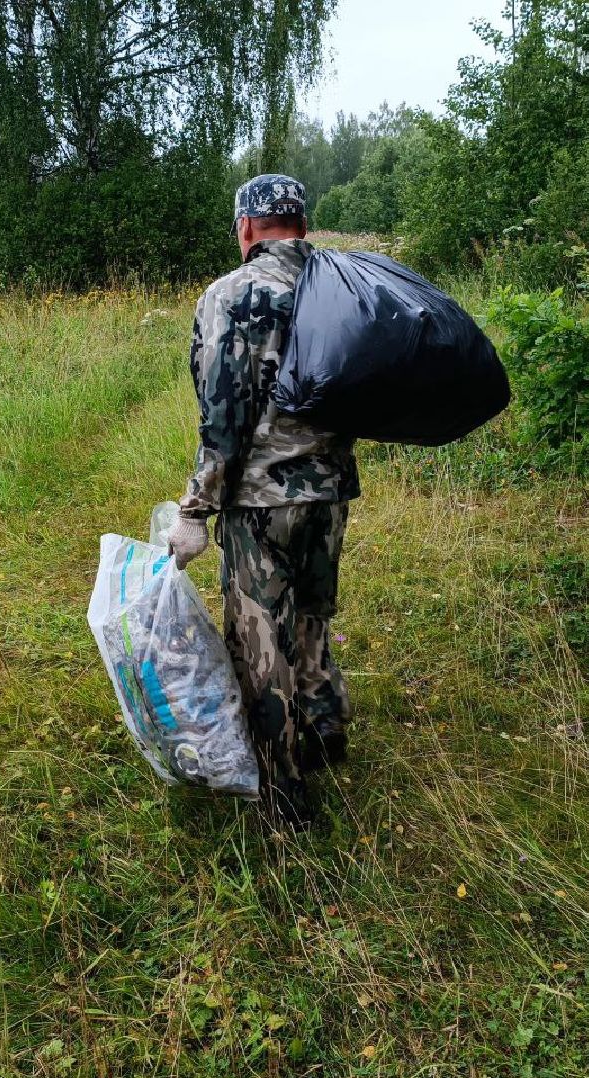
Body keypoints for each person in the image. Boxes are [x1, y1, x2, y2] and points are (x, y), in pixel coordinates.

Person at [166, 173, 359, 829]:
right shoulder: (342, 284)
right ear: (302, 223)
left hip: (260, 503)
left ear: (246, 228)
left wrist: (196, 510)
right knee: (312, 618)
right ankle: (324, 733)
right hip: (329, 492)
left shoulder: (232, 294)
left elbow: (223, 417)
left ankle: (285, 799)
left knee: (261, 647)